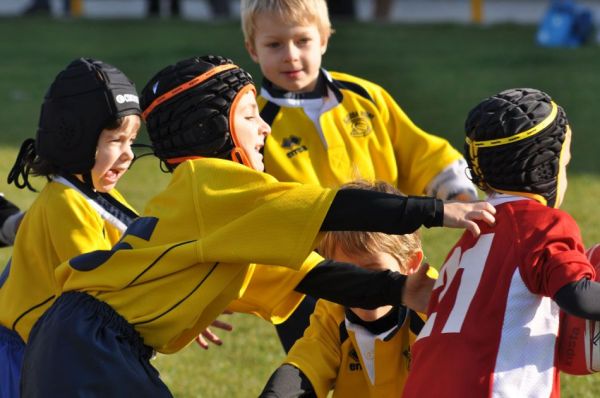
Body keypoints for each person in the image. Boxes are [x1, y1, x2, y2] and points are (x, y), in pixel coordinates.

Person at [18, 55, 495, 397]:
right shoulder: (215, 183)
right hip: (90, 342)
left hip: (83, 341)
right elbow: (336, 207)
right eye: (250, 116)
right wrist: (434, 211)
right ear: (213, 129)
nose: (265, 127)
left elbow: (314, 276)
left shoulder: (232, 222)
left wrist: (400, 291)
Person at [240, 0, 478, 352]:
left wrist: (458, 194)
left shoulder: (366, 97)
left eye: (302, 41)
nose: (290, 55)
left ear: (323, 39)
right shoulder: (253, 122)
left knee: (408, 361)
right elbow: (236, 205)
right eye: (274, 44)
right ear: (252, 49)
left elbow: (420, 151)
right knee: (318, 369)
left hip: (388, 262)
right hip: (309, 279)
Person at [402, 88, 600, 397]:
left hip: (423, 384)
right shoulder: (542, 222)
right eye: (565, 164)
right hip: (489, 387)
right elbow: (579, 296)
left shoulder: (470, 238)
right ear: (547, 168)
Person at [0, 57, 141, 398]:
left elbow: (142, 253)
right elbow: (101, 287)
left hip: (54, 353)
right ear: (73, 138)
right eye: (115, 141)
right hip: (24, 356)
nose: (129, 155)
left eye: (132, 142)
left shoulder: (98, 196)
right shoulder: (66, 202)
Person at [260, 180, 431, 398]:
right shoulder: (332, 313)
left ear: (411, 263)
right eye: (348, 275)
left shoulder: (435, 311)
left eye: (374, 272)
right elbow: (304, 367)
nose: (361, 287)